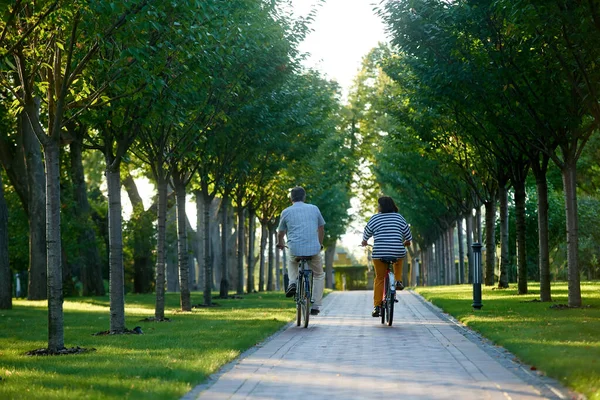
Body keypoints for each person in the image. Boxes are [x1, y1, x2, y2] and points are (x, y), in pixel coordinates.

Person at [276, 186, 325, 316]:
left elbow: (280, 232)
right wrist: (319, 244)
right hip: (313, 249)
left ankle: (292, 282)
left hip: (295, 249)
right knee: (319, 274)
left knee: (292, 260)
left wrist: (280, 243)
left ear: (291, 198)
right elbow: (321, 228)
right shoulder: (314, 209)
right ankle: (315, 305)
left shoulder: (286, 211)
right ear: (304, 197)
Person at [361, 196, 412, 318]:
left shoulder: (375, 218)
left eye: (378, 205)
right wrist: (407, 242)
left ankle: (377, 306)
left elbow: (367, 232)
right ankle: (398, 281)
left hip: (379, 252)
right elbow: (408, 235)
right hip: (397, 250)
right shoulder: (399, 218)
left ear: (381, 207)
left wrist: (364, 241)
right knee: (399, 258)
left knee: (379, 278)